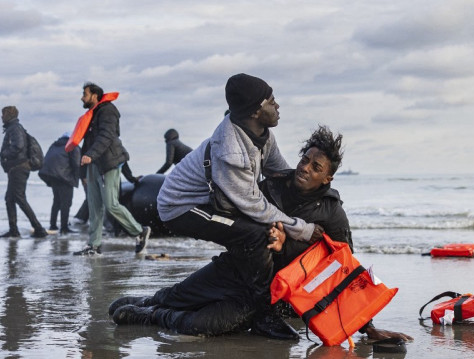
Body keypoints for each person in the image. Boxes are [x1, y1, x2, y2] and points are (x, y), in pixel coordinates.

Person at [110, 126, 412, 343]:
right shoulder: (271, 187)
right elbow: (239, 229)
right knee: (177, 295)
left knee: (202, 324)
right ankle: (151, 301)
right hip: (234, 268)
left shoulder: (332, 213)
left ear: (328, 177)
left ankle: (149, 316)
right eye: (304, 159)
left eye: (315, 166)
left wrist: (368, 328)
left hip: (268, 293)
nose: (305, 167)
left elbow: (346, 272)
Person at [155, 73, 323, 339]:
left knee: (251, 240)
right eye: (272, 101)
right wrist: (301, 228)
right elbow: (254, 205)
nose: (277, 106)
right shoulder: (230, 150)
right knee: (254, 234)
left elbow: (279, 172)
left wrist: (318, 188)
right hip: (182, 205)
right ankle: (263, 316)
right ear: (256, 110)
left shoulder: (262, 134)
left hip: (213, 201)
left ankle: (177, 297)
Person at [73, 82, 150, 256]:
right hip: (93, 165)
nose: (82, 97)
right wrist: (83, 171)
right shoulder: (91, 115)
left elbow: (106, 136)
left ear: (94, 95)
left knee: (111, 204)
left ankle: (139, 231)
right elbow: (87, 143)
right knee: (94, 205)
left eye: (84, 94)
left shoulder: (108, 110)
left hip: (109, 163)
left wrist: (91, 155)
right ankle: (94, 245)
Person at [0, 106, 48, 238]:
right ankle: (13, 230)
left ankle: (39, 229)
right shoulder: (13, 128)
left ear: (9, 114)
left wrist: (4, 153)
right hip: (17, 168)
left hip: (19, 168)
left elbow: (18, 146)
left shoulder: (15, 128)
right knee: (9, 199)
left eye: (3, 114)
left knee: (19, 198)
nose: (1, 117)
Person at [38, 132, 81, 234]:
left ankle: (53, 225)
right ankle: (64, 228)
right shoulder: (72, 145)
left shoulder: (55, 145)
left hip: (53, 176)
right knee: (66, 203)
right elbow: (76, 163)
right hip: (65, 177)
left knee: (57, 201)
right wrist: (77, 178)